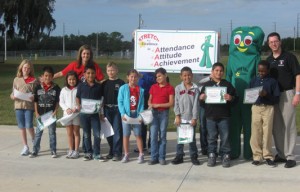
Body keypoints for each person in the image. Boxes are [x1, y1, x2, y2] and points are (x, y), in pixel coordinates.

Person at [266, 32, 300, 168]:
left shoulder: (289, 57)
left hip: (287, 94)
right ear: (268, 44)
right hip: (274, 96)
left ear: (280, 42)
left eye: (276, 41)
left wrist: (297, 93)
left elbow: (298, 75)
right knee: (277, 127)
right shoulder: (269, 60)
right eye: (271, 42)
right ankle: (281, 154)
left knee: (289, 125)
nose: (274, 44)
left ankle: (290, 156)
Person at [200, 62, 236, 168]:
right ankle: (212, 155)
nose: (219, 72)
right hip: (210, 116)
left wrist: (231, 98)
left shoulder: (228, 85)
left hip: (224, 116)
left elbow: (235, 99)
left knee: (225, 137)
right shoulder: (206, 86)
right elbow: (201, 103)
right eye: (216, 70)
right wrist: (201, 99)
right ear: (212, 72)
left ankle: (225, 155)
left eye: (221, 71)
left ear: (223, 72)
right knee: (211, 137)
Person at [249, 60, 280, 167]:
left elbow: (276, 99)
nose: (261, 73)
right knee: (255, 132)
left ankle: (267, 155)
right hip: (256, 107)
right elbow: (249, 94)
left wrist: (266, 95)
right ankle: (257, 156)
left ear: (268, 70)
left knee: (267, 132)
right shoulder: (254, 80)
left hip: (268, 108)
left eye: (263, 71)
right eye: (259, 71)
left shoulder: (272, 81)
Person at [171, 66, 200, 165]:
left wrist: (194, 118)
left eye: (188, 75)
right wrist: (177, 116)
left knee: (191, 139)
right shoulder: (178, 88)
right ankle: (179, 156)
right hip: (181, 118)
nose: (187, 77)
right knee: (181, 138)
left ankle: (194, 156)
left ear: (192, 76)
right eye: (184, 75)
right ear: (181, 77)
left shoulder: (195, 89)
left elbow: (196, 104)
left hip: (191, 118)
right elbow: (176, 103)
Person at [30, 66, 61, 158]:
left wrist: (55, 111)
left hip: (51, 114)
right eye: (46, 76)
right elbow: (35, 101)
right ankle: (35, 150)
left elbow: (57, 102)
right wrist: (36, 112)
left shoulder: (56, 88)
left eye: (50, 76)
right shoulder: (38, 87)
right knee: (38, 133)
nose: (47, 78)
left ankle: (53, 150)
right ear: (42, 76)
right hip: (41, 114)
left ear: (52, 77)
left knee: (52, 133)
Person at [76, 64, 104, 161]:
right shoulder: (81, 86)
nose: (90, 75)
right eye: (88, 73)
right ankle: (88, 152)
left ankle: (97, 153)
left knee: (97, 134)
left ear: (95, 74)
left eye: (92, 73)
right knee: (86, 134)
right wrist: (78, 105)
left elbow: (101, 99)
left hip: (95, 115)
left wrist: (101, 111)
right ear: (84, 74)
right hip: (84, 114)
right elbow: (77, 97)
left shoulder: (99, 86)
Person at [10, 59, 38, 156]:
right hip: (18, 106)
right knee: (22, 127)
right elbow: (12, 93)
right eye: (25, 67)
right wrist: (13, 96)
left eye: (28, 68)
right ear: (21, 68)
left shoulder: (34, 80)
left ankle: (35, 142)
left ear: (30, 70)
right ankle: (25, 146)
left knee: (29, 126)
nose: (26, 69)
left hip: (29, 106)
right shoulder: (16, 79)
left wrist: (33, 97)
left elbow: (37, 94)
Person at [148, 67, 175, 165]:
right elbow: (149, 99)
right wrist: (150, 104)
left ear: (165, 75)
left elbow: (171, 103)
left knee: (162, 135)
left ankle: (161, 157)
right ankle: (153, 157)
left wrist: (158, 105)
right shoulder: (153, 87)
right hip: (154, 113)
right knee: (153, 135)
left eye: (159, 76)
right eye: (156, 77)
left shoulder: (170, 88)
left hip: (164, 113)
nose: (158, 78)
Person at [118, 69, 145, 164]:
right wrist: (122, 114)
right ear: (128, 77)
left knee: (138, 135)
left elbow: (141, 104)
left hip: (136, 114)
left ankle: (141, 154)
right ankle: (126, 154)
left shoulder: (140, 90)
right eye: (131, 76)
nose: (133, 78)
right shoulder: (123, 88)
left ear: (138, 78)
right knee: (126, 135)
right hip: (126, 115)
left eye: (135, 77)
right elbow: (120, 102)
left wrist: (141, 115)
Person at [102, 62, 125, 161]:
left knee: (117, 131)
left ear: (117, 70)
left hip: (117, 110)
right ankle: (111, 151)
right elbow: (101, 99)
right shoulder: (104, 83)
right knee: (109, 132)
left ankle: (117, 153)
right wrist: (101, 112)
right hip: (107, 109)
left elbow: (124, 98)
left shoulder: (121, 83)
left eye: (112, 70)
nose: (110, 72)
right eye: (108, 70)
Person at [59, 71, 80, 159]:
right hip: (67, 114)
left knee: (76, 132)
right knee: (69, 133)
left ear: (76, 80)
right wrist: (66, 109)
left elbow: (80, 101)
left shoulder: (79, 88)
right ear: (67, 80)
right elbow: (61, 102)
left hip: (76, 114)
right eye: (70, 79)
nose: (72, 81)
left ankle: (76, 151)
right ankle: (71, 149)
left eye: (73, 79)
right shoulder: (64, 90)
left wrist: (76, 107)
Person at [134, 72, 156, 154]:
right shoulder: (139, 65)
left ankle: (151, 145)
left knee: (151, 122)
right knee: (142, 122)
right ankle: (142, 145)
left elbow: (155, 80)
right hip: (140, 96)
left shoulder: (152, 69)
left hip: (150, 96)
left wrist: (144, 76)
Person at [194, 74, 211, 156]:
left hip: (213, 100)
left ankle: (211, 148)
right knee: (203, 126)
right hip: (202, 102)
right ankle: (204, 148)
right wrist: (209, 77)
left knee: (212, 126)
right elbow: (198, 80)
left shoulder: (213, 67)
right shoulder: (198, 70)